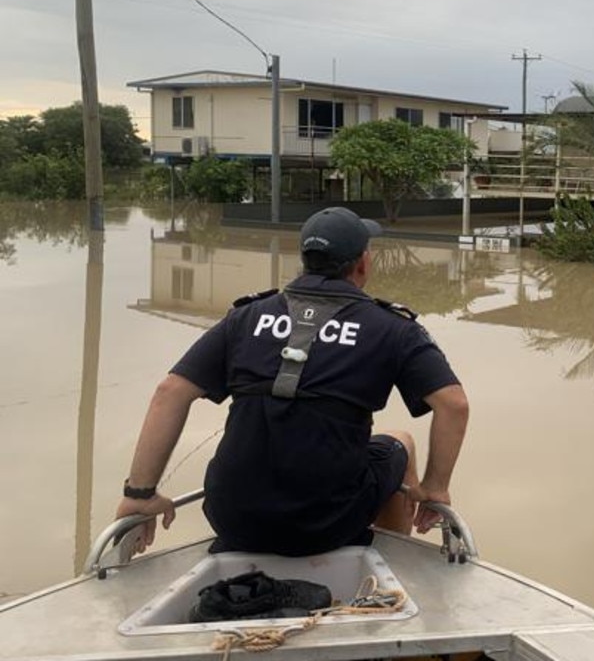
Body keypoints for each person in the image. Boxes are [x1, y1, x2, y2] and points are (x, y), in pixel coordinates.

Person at [115, 207, 469, 557]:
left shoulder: (247, 315)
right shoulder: (393, 328)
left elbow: (170, 392)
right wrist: (435, 489)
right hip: (329, 522)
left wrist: (139, 495)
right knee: (400, 442)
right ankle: (383, 564)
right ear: (363, 263)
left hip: (231, 517)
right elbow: (453, 404)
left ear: (304, 260)